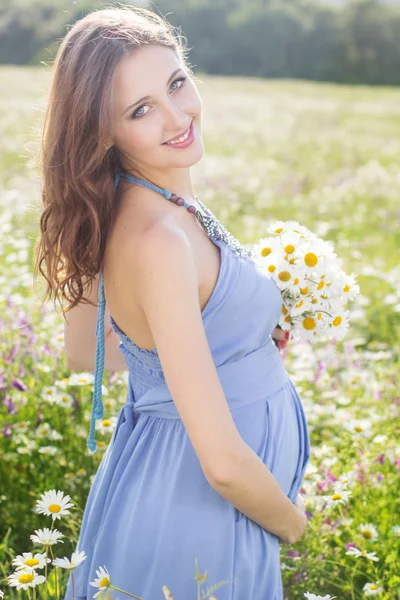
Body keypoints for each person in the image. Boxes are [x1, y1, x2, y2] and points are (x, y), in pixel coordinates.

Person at [34, 6, 310, 599]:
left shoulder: (131, 201)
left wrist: (223, 346)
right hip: (202, 512)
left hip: (163, 482)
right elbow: (225, 467)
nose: (177, 115)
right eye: (141, 110)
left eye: (176, 83)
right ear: (103, 131)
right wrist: (294, 527)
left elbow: (86, 352)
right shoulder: (157, 237)